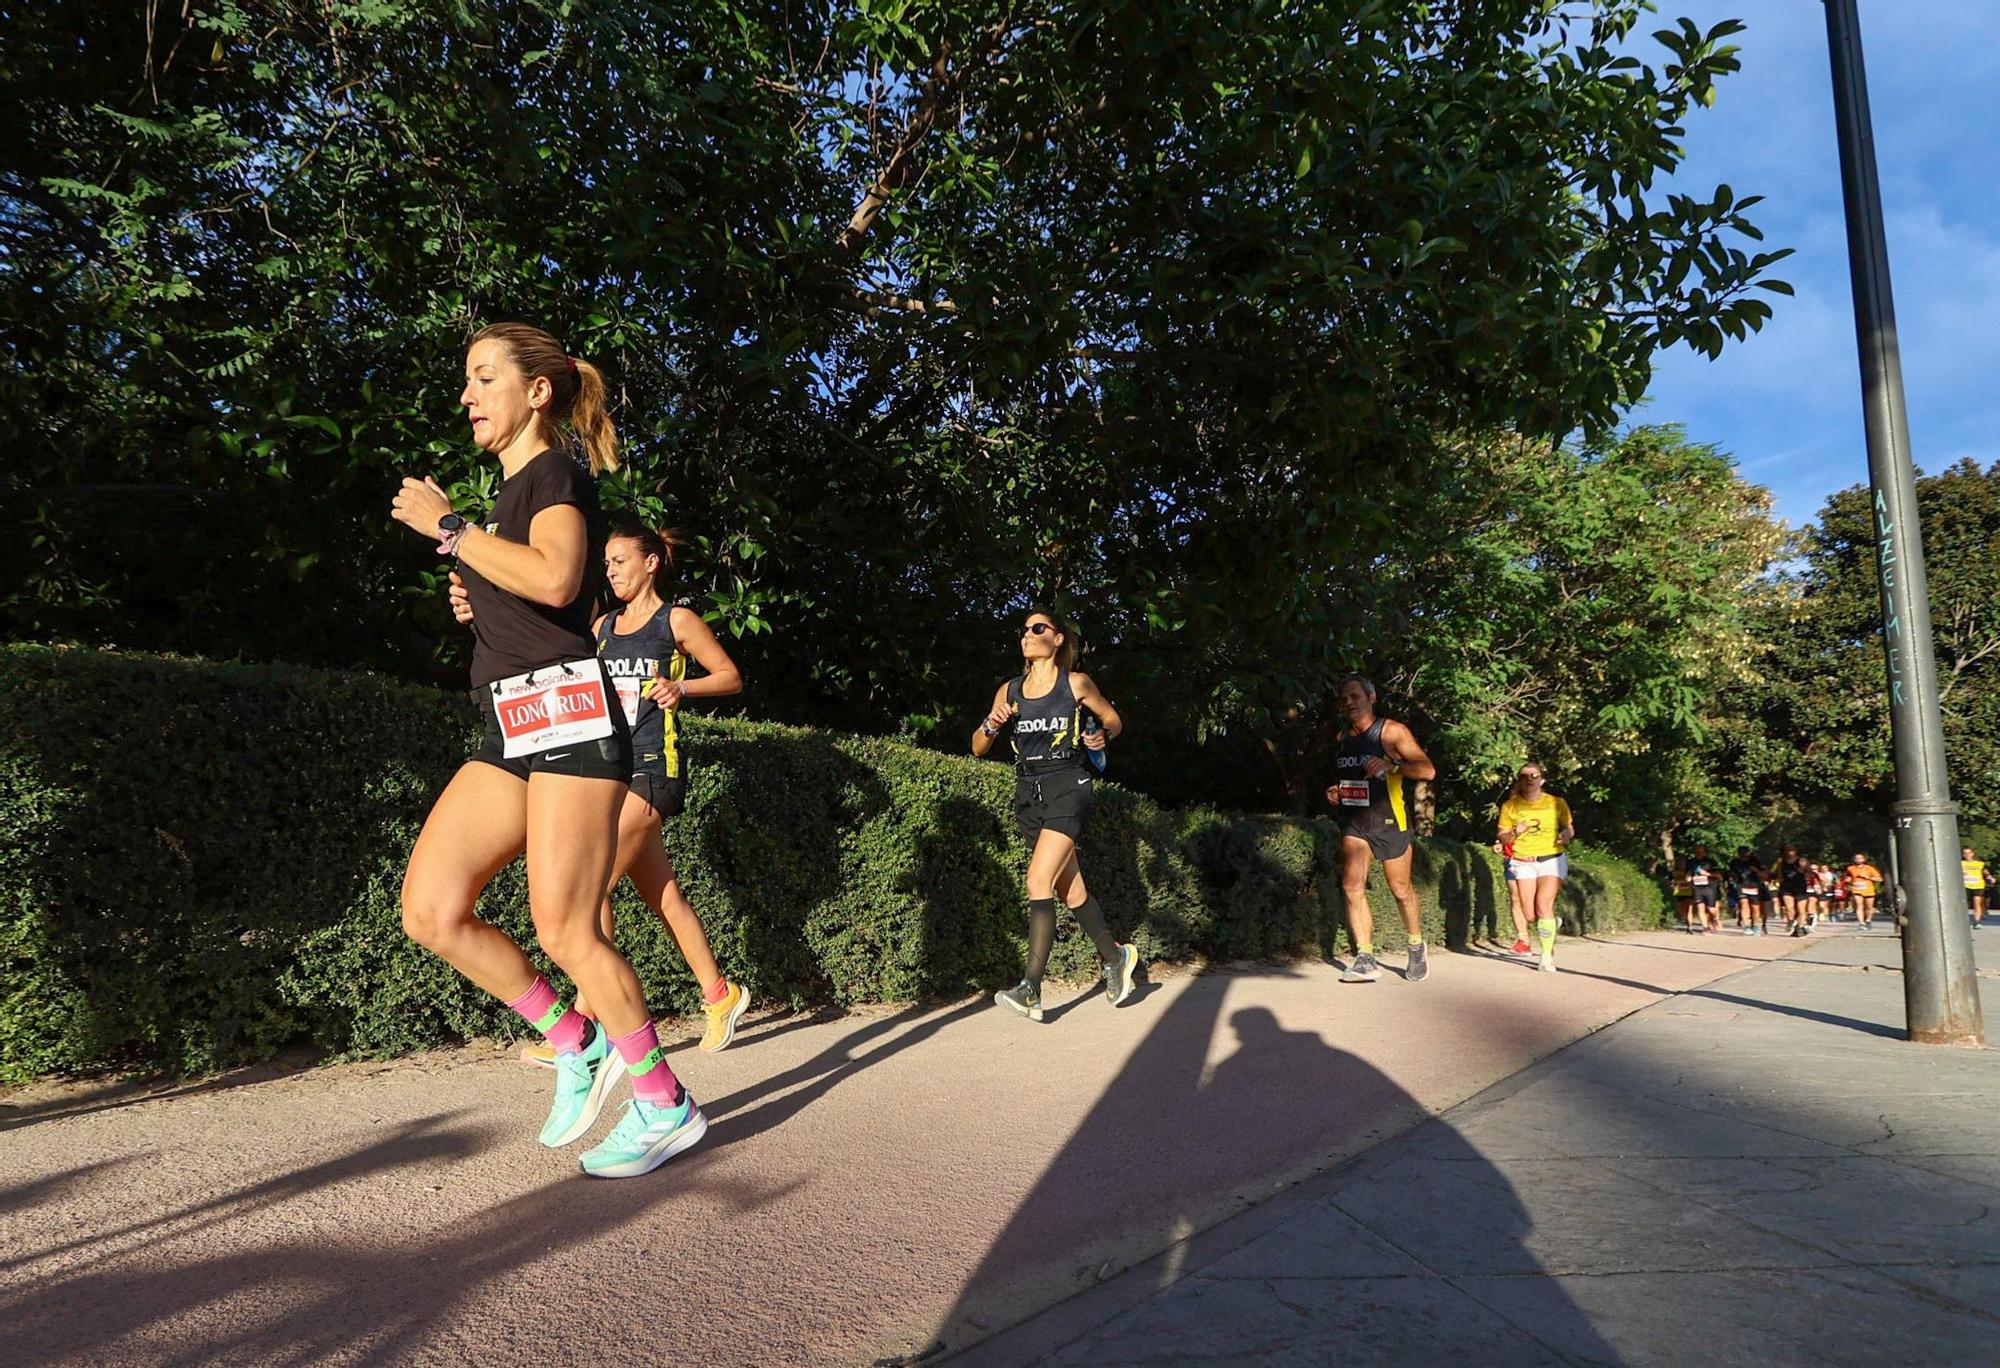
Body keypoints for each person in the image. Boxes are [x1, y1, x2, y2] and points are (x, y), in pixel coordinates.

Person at [392, 322, 704, 1179]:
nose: (467, 396)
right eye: (466, 380)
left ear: (536, 392)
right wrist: (479, 597)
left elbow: (562, 579)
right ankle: (574, 1041)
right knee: (431, 908)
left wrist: (451, 531)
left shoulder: (554, 473)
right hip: (511, 727)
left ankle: (664, 1102)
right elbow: (538, 597)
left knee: (567, 926)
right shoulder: (507, 497)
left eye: (483, 377)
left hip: (567, 717)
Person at [466, 523, 752, 1061]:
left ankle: (586, 1022)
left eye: (620, 561)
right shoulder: (601, 628)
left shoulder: (678, 620)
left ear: (650, 564)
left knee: (588, 892)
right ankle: (720, 994)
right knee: (662, 893)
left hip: (654, 768)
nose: (611, 570)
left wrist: (681, 686)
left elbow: (730, 676)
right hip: (612, 772)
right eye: (607, 563)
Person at [972, 610, 1139, 1022]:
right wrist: (992, 725)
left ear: (1058, 638)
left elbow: (1114, 720)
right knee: (1073, 893)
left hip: (1068, 784)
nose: (1028, 635)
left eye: (1038, 628)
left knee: (1037, 879)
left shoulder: (1075, 683)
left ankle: (1030, 988)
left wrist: (1102, 734)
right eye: (1024, 630)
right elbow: (977, 746)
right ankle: (1116, 957)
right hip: (1028, 793)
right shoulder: (1009, 690)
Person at [1325, 676, 1439, 983]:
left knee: (1400, 890)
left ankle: (1415, 946)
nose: (1348, 702)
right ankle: (1365, 957)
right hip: (1354, 822)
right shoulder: (1343, 738)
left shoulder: (1391, 732)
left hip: (1390, 821)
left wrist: (1394, 767)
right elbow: (1349, 779)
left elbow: (1427, 770)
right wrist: (1335, 791)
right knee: (1351, 886)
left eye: (1354, 696)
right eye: (1343, 698)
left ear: (1371, 697)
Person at [1496, 765, 1574, 973]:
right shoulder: (1510, 806)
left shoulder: (1557, 803)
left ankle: (1546, 957)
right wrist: (1514, 831)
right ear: (1519, 781)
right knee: (1530, 914)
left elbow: (1569, 828)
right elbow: (1503, 836)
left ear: (1542, 780)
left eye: (1534, 775)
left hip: (1551, 858)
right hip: (1523, 861)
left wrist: (1566, 835)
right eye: (1524, 776)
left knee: (1543, 905)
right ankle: (1551, 922)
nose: (1529, 779)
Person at [1679, 843, 1724, 933]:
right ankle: (1705, 928)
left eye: (1700, 850)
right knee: (1700, 907)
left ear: (1704, 851)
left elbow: (1719, 875)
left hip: (1710, 887)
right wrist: (1688, 877)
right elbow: (1689, 872)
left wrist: (1707, 874)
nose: (1698, 852)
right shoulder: (1691, 862)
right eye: (1696, 850)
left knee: (1711, 909)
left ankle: (1715, 919)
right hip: (1697, 888)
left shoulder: (1711, 862)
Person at [1728, 847, 1765, 935]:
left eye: (1745, 852)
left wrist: (1755, 870)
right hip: (1741, 885)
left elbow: (1763, 874)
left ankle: (1755, 925)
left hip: (1753, 885)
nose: (1743, 853)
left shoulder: (1755, 861)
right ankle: (1746, 926)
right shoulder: (1734, 862)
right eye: (1741, 852)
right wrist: (1732, 878)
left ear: (1749, 852)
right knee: (1743, 904)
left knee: (1755, 908)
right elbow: (1731, 873)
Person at [1777, 845, 1813, 937]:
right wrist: (1779, 880)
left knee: (1801, 909)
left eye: (1792, 850)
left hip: (1800, 887)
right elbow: (1780, 874)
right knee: (1789, 908)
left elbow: (1810, 873)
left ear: (1796, 851)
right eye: (1788, 850)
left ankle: (1800, 927)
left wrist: (1804, 872)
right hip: (1787, 887)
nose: (1790, 852)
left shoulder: (1802, 861)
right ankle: (1791, 920)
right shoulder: (1781, 861)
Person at [1846, 851, 1884, 928]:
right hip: (1856, 889)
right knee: (1859, 905)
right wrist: (1848, 880)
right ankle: (1861, 923)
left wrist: (1868, 877)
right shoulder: (1850, 868)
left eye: (1860, 858)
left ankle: (1868, 920)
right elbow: (1849, 877)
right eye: (1856, 858)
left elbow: (1880, 879)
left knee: (1869, 907)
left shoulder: (1869, 868)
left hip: (1868, 890)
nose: (1858, 860)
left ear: (1864, 859)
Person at [1964, 847, 1989, 927]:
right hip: (1965, 886)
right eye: (1965, 853)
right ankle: (1963, 921)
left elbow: (1985, 871)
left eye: (1969, 853)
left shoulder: (1979, 863)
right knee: (1964, 904)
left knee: (1977, 903)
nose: (1967, 855)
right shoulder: (1960, 863)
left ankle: (1977, 921)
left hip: (1977, 886)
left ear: (1972, 854)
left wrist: (1989, 877)